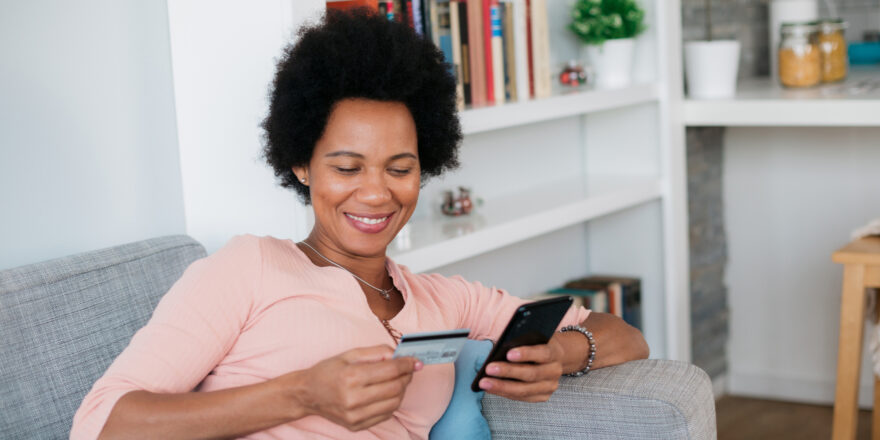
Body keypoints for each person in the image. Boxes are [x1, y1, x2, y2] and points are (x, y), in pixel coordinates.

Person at [71, 8, 648, 440]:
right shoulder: (248, 268)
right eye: (347, 167)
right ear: (301, 163)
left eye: (401, 168)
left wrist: (563, 356)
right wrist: (300, 394)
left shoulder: (445, 301)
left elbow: (628, 338)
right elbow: (100, 423)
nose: (376, 191)